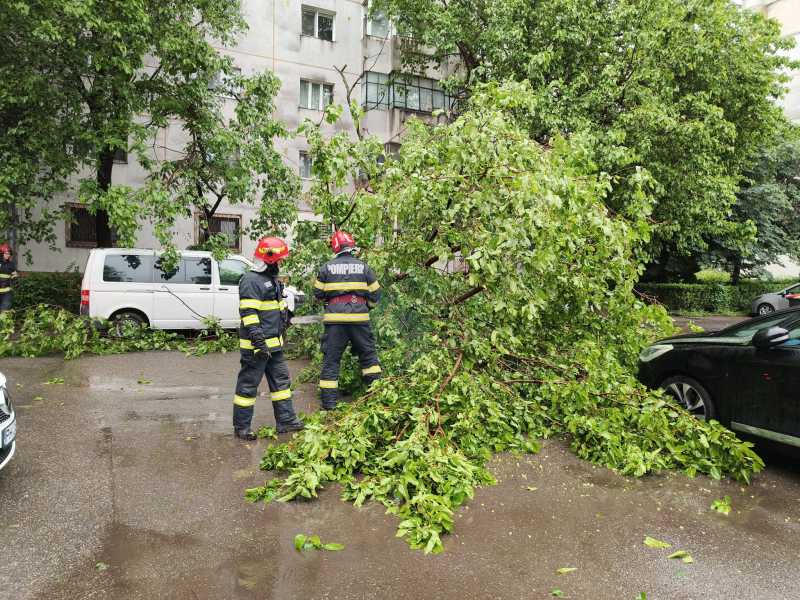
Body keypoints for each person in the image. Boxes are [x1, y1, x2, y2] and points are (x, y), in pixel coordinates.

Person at [232, 237, 304, 440]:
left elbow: (274, 308)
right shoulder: (250, 280)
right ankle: (242, 427)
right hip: (257, 348)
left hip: (275, 347)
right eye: (278, 261)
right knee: (247, 386)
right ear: (268, 260)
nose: (279, 264)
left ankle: (286, 421)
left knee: (281, 384)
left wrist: (286, 315)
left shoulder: (272, 280)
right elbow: (249, 314)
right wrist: (258, 342)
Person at [314, 231, 382, 410]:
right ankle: (375, 399)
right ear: (351, 246)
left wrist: (330, 302)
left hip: (335, 322)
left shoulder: (326, 268)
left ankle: (329, 406)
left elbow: (318, 294)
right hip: (360, 321)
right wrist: (367, 307)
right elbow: (376, 293)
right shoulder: (364, 267)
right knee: (368, 358)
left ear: (335, 247)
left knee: (332, 361)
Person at [0, 243, 18, 312]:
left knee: (4, 312)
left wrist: (15, 281)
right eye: (6, 253)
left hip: (7, 293)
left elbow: (14, 275)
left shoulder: (11, 265)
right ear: (1, 254)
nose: (8, 255)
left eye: (9, 254)